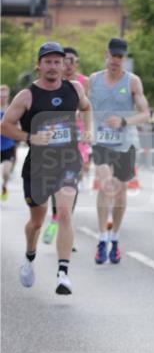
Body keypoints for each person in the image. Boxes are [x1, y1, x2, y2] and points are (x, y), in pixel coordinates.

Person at [0, 42, 92, 295]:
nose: (53, 66)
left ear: (63, 65)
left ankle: (63, 273)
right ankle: (30, 256)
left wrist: (89, 130)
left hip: (68, 161)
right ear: (39, 65)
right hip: (38, 166)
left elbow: (87, 107)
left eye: (57, 62)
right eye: (48, 61)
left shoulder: (74, 88)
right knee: (37, 221)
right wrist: (30, 137)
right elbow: (5, 125)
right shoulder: (27, 96)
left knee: (64, 213)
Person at [88, 37, 150, 265]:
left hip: (125, 142)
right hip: (101, 141)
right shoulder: (93, 80)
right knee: (106, 184)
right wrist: (86, 128)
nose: (115, 60)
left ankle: (114, 237)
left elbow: (145, 114)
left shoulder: (133, 82)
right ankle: (102, 238)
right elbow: (83, 107)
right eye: (113, 55)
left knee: (121, 190)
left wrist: (124, 121)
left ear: (124, 58)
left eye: (120, 56)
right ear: (106, 54)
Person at [41, 46, 89, 244]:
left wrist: (88, 128)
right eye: (65, 60)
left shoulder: (83, 82)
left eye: (71, 61)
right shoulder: (53, 82)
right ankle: (56, 216)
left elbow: (89, 107)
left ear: (76, 63)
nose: (68, 64)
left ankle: (65, 220)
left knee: (73, 179)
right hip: (58, 138)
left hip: (79, 136)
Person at [1, 84, 17, 200]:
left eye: (4, 96)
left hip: (8, 146)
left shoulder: (12, 109)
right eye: (0, 96)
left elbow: (18, 124)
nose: (2, 98)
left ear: (8, 97)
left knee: (6, 173)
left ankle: (4, 186)